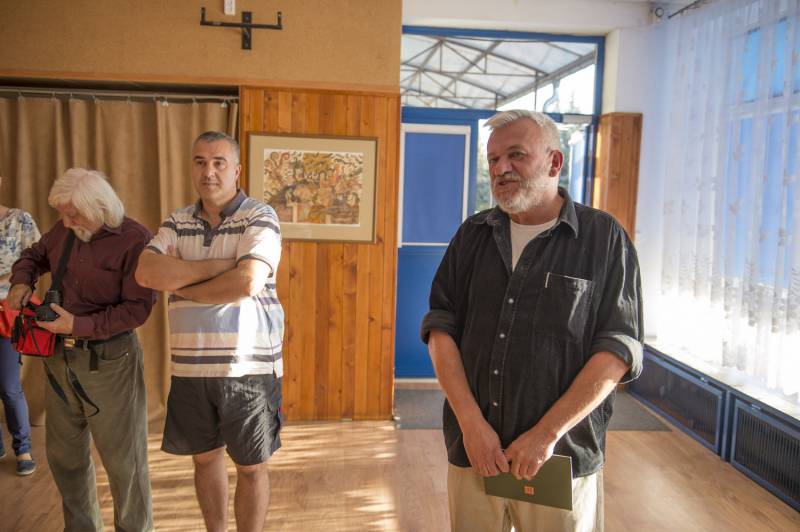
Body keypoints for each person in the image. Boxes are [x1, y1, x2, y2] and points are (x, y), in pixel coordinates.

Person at [421, 110, 643, 532]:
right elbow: (440, 330)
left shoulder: (603, 239)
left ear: (554, 162)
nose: (501, 168)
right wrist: (471, 424)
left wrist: (545, 434)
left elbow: (617, 351)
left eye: (516, 155)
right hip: (475, 453)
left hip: (559, 458)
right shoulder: (472, 236)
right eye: (493, 159)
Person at [135, 131, 284, 532]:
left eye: (219, 163)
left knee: (251, 467)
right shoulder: (176, 221)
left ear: (237, 170)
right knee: (204, 459)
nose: (209, 171)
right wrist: (221, 266)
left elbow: (248, 282)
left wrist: (181, 283)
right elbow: (146, 273)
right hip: (190, 367)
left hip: (247, 368)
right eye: (200, 161)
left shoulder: (260, 216)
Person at [7, 168, 155, 532]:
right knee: (65, 458)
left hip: (111, 361)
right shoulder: (65, 230)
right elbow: (34, 254)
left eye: (73, 215)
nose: (65, 222)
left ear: (100, 207)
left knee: (124, 462)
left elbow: (137, 310)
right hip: (59, 359)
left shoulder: (135, 239)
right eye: (62, 214)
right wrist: (21, 281)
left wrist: (78, 325)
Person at [0, 175, 41, 476]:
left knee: (8, 385)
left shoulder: (19, 220)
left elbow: (36, 264)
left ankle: (23, 448)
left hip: (8, 312)